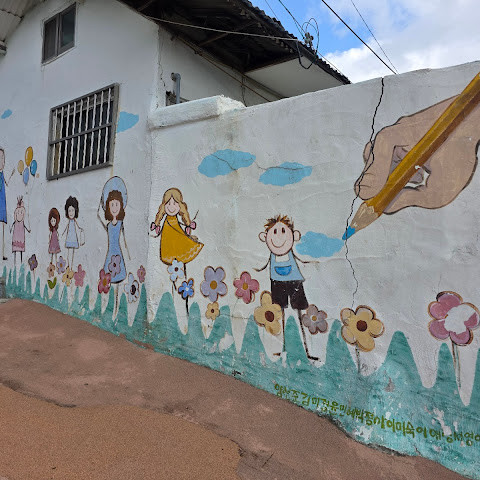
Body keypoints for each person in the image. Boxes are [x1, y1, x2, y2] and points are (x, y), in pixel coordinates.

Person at [256, 215, 317, 360]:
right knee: (280, 313)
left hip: (294, 282)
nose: (278, 237)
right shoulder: (272, 257)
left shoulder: (290, 254)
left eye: (283, 231)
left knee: (299, 314)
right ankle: (282, 348)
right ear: (264, 237)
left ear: (294, 235)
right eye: (274, 232)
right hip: (277, 282)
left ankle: (307, 350)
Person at [151, 188, 203, 268]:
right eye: (168, 203)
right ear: (164, 206)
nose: (171, 207)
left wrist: (188, 224)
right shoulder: (167, 221)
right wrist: (156, 224)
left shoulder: (175, 221)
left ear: (180, 206)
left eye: (175, 203)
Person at [98, 188, 129, 316]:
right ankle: (112, 309)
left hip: (117, 256)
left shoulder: (121, 223)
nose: (114, 207)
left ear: (121, 206)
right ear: (108, 207)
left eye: (117, 204)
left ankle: (117, 308)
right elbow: (99, 216)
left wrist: (128, 253)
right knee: (110, 280)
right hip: (110, 254)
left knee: (118, 281)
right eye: (112, 205)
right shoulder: (109, 225)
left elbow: (125, 240)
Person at [0, 147, 15, 261]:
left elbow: (7, 183)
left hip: (2, 202)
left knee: (3, 226)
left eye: (2, 158)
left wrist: (12, 175)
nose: (2, 161)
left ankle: (2, 252)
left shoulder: (2, 174)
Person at [62, 196, 84, 268]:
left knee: (73, 253)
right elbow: (66, 228)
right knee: (69, 252)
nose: (71, 213)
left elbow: (77, 226)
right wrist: (63, 233)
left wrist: (80, 229)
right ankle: (69, 266)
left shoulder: (74, 221)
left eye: (72, 210)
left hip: (74, 237)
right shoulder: (69, 222)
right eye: (69, 211)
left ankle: (72, 266)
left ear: (75, 211)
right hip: (69, 237)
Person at [11, 196, 30, 266]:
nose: (19, 214)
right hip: (16, 235)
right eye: (18, 213)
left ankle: (21, 262)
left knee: (21, 250)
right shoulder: (15, 223)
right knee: (16, 249)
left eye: (21, 213)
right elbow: (11, 226)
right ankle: (15, 263)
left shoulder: (22, 222)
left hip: (21, 236)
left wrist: (28, 229)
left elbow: (25, 226)